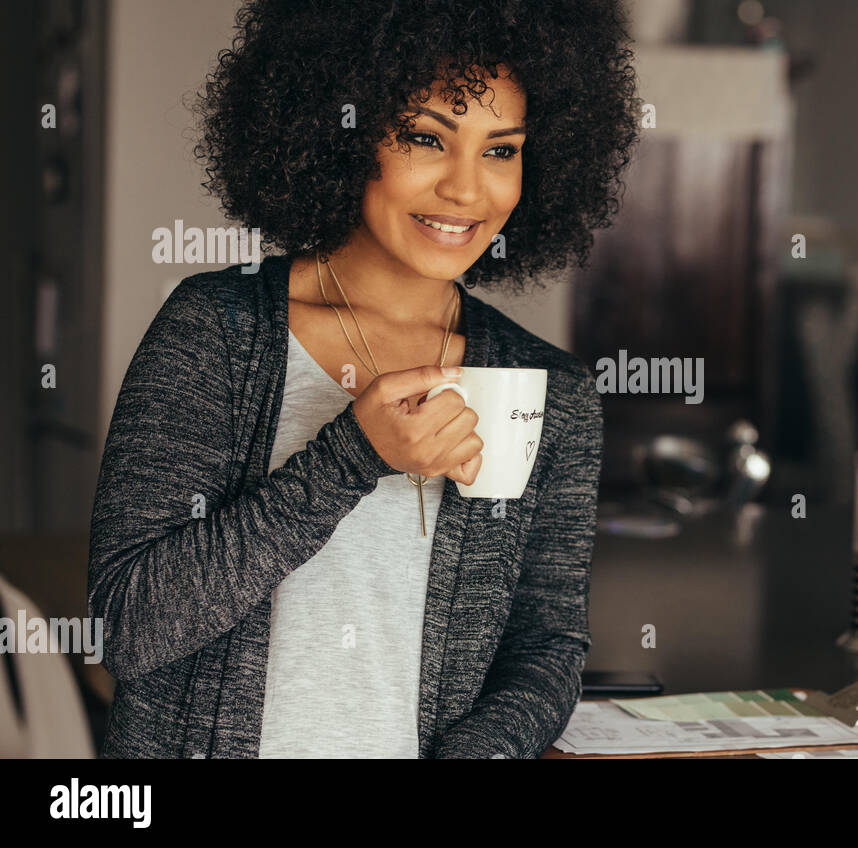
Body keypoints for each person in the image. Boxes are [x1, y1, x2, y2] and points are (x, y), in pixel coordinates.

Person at [88, 0, 639, 758]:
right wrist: (350, 456)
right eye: (425, 138)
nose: (466, 191)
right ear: (341, 135)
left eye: (500, 150)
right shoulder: (217, 330)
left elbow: (545, 650)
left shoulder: (548, 389)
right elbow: (125, 629)